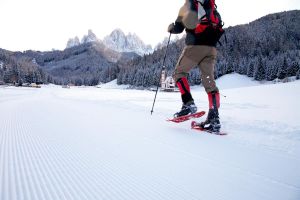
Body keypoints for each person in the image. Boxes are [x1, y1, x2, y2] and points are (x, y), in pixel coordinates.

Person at [168, 0, 223, 132]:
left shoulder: (189, 3)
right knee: (209, 82)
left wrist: (171, 28)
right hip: (211, 49)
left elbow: (178, 28)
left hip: (196, 46)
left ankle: (188, 104)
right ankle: (214, 119)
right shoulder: (212, 7)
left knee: (179, 73)